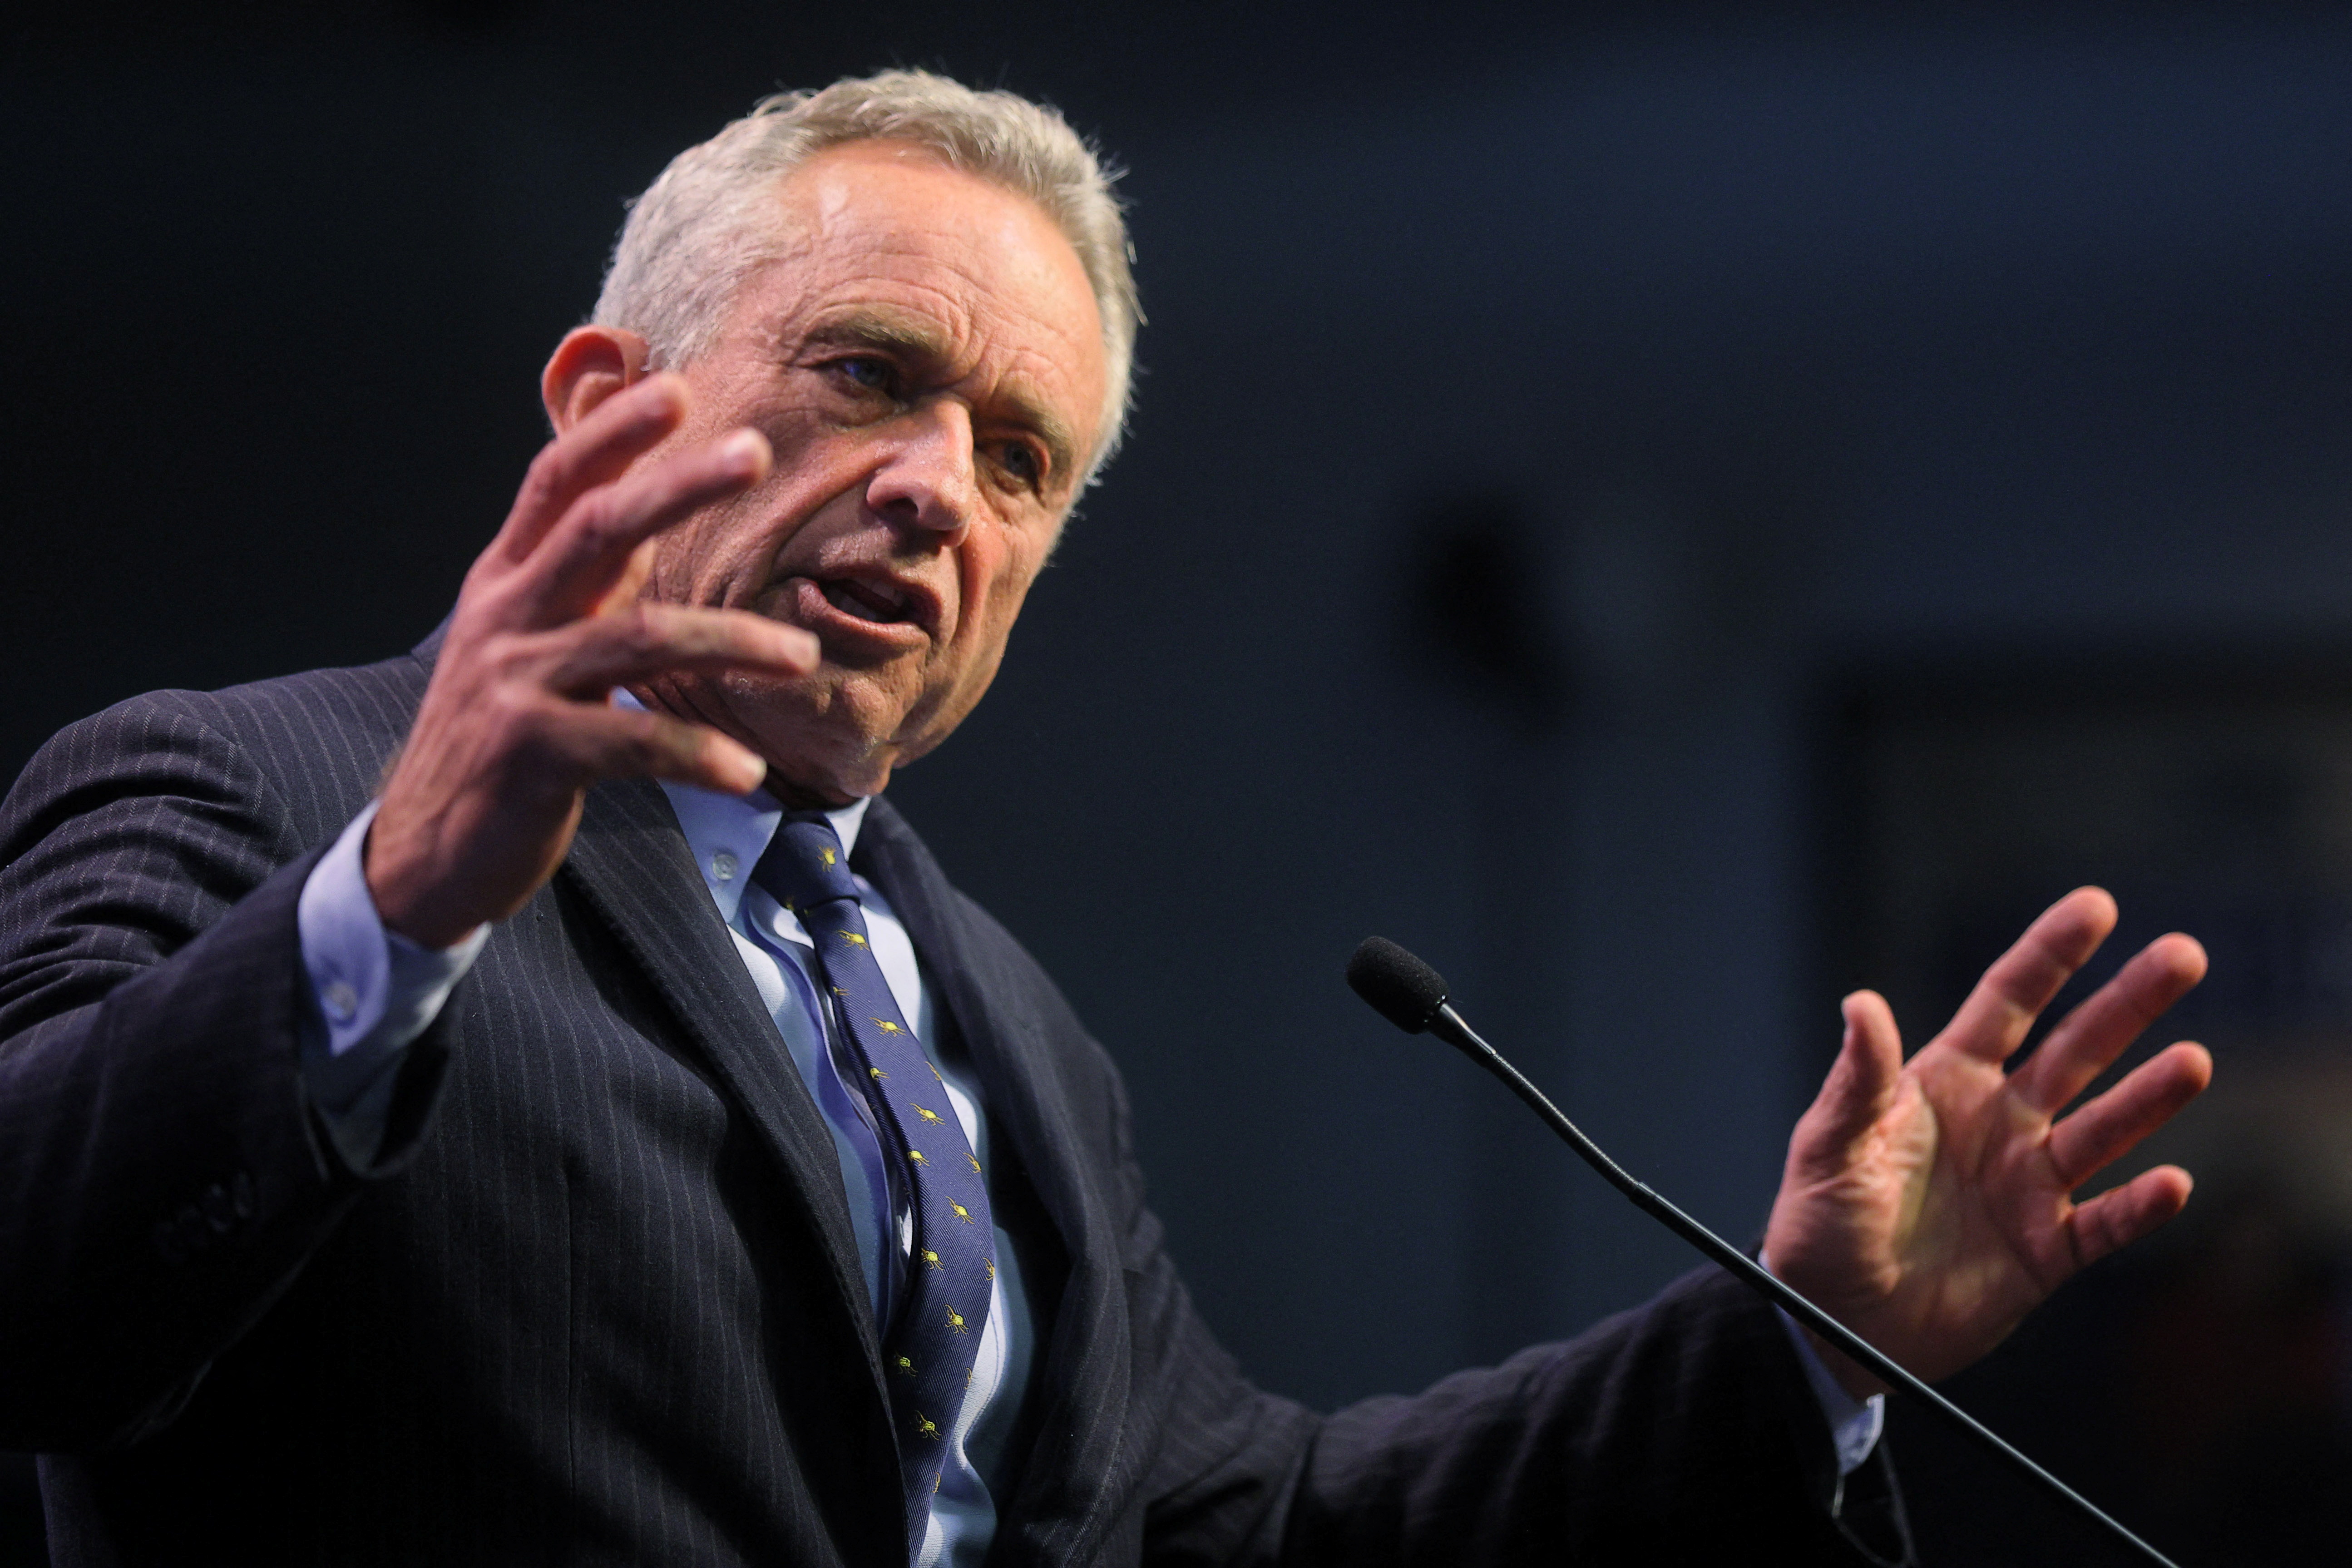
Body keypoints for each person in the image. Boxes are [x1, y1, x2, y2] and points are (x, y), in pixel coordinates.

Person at [0, 71, 2214, 1567]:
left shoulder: (1002, 1028)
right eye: (867, 371)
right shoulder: (248, 795)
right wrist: (392, 910)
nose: (933, 490)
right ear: (608, 400)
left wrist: (1789, 1344)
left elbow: (1222, 1529)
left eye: (1019, 458)